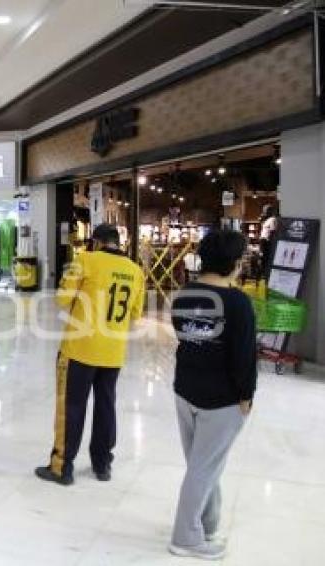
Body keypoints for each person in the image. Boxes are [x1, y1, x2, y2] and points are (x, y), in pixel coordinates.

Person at [168, 229, 257, 561]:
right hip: (221, 399)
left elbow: (181, 335)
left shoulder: (185, 292)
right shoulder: (237, 302)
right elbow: (245, 356)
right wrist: (247, 395)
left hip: (185, 390)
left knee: (201, 464)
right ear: (234, 263)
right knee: (203, 468)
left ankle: (206, 523)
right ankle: (186, 538)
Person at [35, 223, 145, 486]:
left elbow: (62, 298)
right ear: (118, 243)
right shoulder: (136, 270)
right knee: (106, 406)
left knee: (71, 406)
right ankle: (102, 464)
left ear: (95, 242)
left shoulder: (84, 260)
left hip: (80, 349)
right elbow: (135, 314)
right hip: (114, 351)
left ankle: (62, 467)